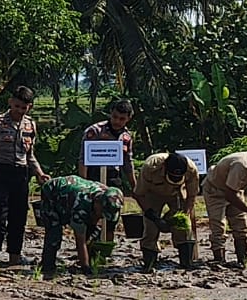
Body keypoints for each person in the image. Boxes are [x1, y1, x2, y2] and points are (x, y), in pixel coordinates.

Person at [0, 86, 49, 266]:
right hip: (1, 172)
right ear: (10, 102)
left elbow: (30, 154)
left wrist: (39, 173)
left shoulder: (30, 125)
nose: (19, 111)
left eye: (23, 108)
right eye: (17, 106)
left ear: (29, 107)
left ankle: (14, 258)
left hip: (22, 175)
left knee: (19, 217)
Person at [35, 176, 124, 275]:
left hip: (73, 191)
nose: (102, 217)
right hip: (52, 193)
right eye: (102, 212)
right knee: (54, 233)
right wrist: (85, 268)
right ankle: (47, 266)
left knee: (94, 233)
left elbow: (108, 230)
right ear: (97, 203)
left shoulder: (112, 199)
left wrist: (104, 252)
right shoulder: (81, 206)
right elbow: (80, 240)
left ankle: (90, 259)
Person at [78, 100, 138, 238]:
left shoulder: (126, 137)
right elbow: (83, 159)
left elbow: (128, 163)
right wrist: (83, 183)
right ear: (111, 114)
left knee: (112, 215)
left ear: (128, 118)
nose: (117, 121)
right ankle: (89, 249)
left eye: (122, 119)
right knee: (91, 215)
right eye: (115, 117)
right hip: (94, 175)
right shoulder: (95, 131)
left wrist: (134, 185)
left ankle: (106, 248)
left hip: (113, 176)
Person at [134, 152, 200, 270]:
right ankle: (150, 262)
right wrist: (154, 218)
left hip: (177, 194)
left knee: (183, 226)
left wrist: (185, 213)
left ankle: (186, 262)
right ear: (164, 167)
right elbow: (139, 194)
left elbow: (192, 196)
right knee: (151, 228)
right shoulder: (150, 167)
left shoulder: (192, 170)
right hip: (152, 194)